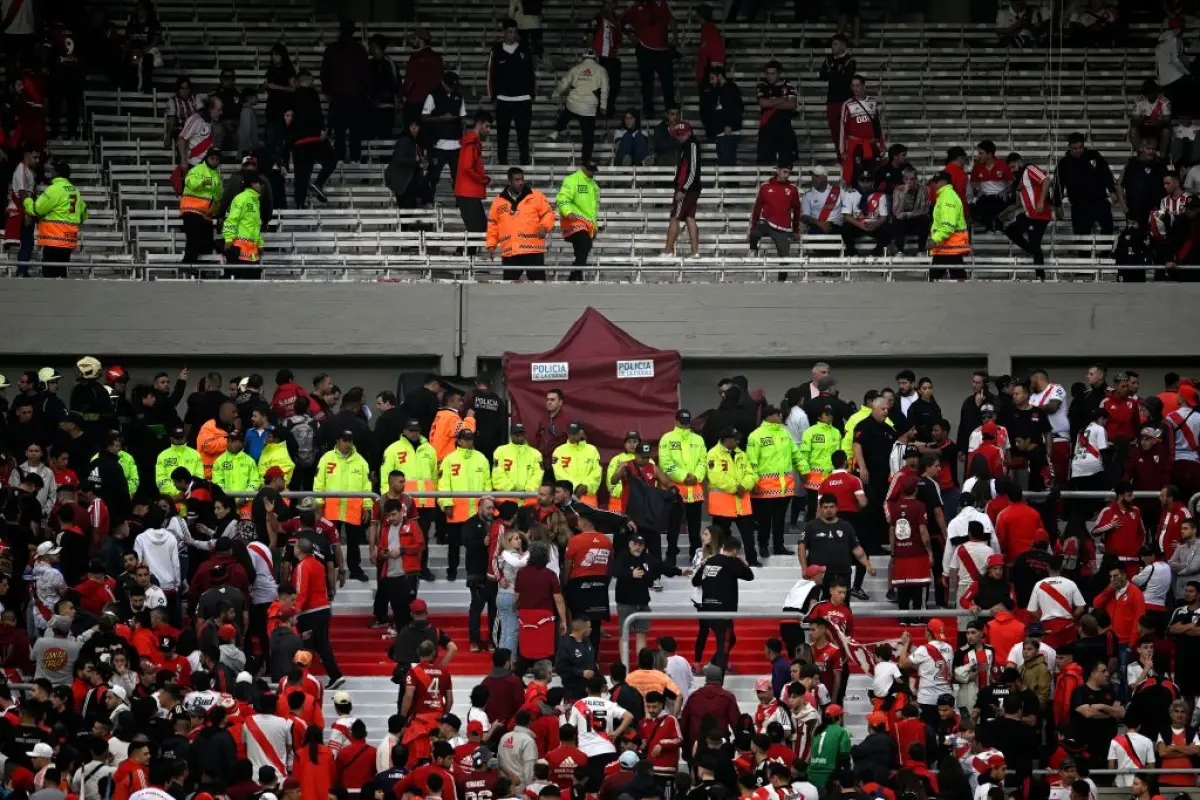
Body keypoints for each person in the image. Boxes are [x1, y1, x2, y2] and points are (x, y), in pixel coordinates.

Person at [692, 535, 754, 670]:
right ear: (734, 550)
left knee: (729, 639)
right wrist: (741, 561)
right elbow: (749, 576)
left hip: (706, 608)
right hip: (723, 610)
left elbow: (695, 581)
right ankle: (716, 679)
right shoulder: (732, 562)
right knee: (724, 645)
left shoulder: (709, 561)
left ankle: (711, 664)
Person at [486, 167, 555, 280]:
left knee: (538, 288)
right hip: (510, 252)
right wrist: (491, 245)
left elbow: (548, 213)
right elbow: (493, 224)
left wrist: (544, 226)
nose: (521, 182)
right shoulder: (498, 201)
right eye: (517, 180)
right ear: (509, 181)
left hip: (533, 250)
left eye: (522, 179)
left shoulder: (536, 196)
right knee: (509, 290)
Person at [23, 160, 87, 277]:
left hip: (54, 240)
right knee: (62, 275)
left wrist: (27, 201)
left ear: (57, 173)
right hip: (68, 241)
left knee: (50, 276)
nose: (51, 172)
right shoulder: (75, 191)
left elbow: (37, 209)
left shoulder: (54, 189)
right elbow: (83, 215)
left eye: (53, 170)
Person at [487, 19, 536, 165]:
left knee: (523, 135)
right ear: (504, 33)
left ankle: (524, 161)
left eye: (515, 32)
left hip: (523, 99)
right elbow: (490, 73)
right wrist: (493, 96)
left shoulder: (524, 49)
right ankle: (502, 162)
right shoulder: (496, 50)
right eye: (509, 32)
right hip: (503, 99)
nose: (512, 34)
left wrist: (531, 94)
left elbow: (531, 73)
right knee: (502, 135)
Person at [549, 49, 608, 164]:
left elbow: (563, 83)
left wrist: (554, 94)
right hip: (588, 107)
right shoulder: (601, 70)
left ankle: (556, 131)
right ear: (595, 59)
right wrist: (603, 106)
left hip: (574, 102)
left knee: (566, 113)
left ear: (583, 58)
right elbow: (605, 90)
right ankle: (586, 161)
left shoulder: (576, 68)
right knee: (588, 137)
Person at [1053, 132, 1118, 236]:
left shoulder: (1094, 155)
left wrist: (1112, 190)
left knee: (1108, 229)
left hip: (1099, 200)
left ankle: (1106, 252)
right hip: (1079, 205)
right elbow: (1058, 185)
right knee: (1081, 236)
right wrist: (1058, 204)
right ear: (1069, 147)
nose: (1078, 150)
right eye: (1075, 148)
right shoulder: (1064, 163)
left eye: (1080, 147)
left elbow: (1106, 173)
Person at [623, 0, 675, 117]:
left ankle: (671, 110)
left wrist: (675, 38)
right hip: (645, 49)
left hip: (663, 50)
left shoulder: (662, 4)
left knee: (668, 82)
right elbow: (622, 22)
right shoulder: (635, 7)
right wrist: (630, 34)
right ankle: (648, 111)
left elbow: (672, 20)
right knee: (647, 83)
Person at [423, 71, 468, 197]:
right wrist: (441, 118)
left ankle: (460, 202)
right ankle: (428, 200)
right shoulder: (433, 95)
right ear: (442, 82)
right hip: (438, 144)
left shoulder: (458, 95)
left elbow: (463, 117)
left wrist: (464, 136)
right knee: (433, 175)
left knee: (458, 176)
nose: (451, 88)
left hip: (456, 144)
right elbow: (424, 117)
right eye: (449, 85)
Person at [838, 75, 886, 186]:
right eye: (853, 86)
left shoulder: (873, 103)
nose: (855, 89)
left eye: (858, 85)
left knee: (873, 173)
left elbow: (879, 127)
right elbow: (843, 128)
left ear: (864, 86)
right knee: (855, 174)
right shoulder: (847, 105)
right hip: (855, 146)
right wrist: (842, 150)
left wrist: (882, 145)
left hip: (871, 144)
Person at [663, 121, 702, 258]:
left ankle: (668, 251)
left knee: (675, 217)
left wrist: (683, 189)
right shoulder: (687, 145)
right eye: (677, 135)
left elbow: (692, 170)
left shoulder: (691, 145)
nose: (678, 137)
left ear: (689, 133)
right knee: (690, 218)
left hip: (687, 188)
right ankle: (695, 252)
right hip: (691, 188)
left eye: (681, 134)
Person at [556, 161, 600, 280]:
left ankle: (576, 275)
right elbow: (562, 198)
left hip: (587, 224)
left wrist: (595, 226)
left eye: (594, 170)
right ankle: (576, 275)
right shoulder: (571, 180)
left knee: (583, 248)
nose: (592, 173)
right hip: (573, 219)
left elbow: (594, 210)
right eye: (590, 170)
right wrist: (568, 212)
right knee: (585, 243)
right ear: (583, 168)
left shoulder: (594, 186)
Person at [748, 164, 801, 263]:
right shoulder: (765, 186)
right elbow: (757, 208)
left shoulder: (792, 188)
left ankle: (782, 279)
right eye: (785, 172)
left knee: (785, 261)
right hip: (767, 223)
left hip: (783, 228)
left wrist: (795, 230)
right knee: (755, 231)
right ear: (778, 171)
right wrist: (752, 227)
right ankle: (753, 249)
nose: (787, 175)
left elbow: (797, 210)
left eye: (789, 173)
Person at [178, 148, 222, 265]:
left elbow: (217, 197)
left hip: (206, 215)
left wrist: (216, 214)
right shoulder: (198, 169)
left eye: (217, 159)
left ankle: (202, 271)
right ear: (207, 158)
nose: (214, 161)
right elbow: (189, 182)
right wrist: (202, 182)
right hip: (192, 211)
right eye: (212, 158)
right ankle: (187, 265)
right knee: (194, 240)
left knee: (206, 244)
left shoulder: (217, 176)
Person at [927, 170, 970, 280]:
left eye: (936, 182)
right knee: (955, 275)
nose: (934, 184)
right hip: (947, 246)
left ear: (944, 182)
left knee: (938, 276)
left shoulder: (947, 197)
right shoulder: (946, 196)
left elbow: (948, 225)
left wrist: (934, 239)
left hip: (950, 245)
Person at [221, 172, 264, 277]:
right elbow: (231, 220)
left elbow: (254, 226)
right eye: (258, 183)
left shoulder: (256, 201)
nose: (261, 185)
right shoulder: (241, 198)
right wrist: (228, 239)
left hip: (252, 253)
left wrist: (260, 243)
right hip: (238, 251)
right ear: (252, 184)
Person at [840, 170, 891, 256]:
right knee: (845, 227)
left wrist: (875, 225)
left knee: (888, 228)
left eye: (868, 181)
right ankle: (852, 252)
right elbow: (846, 216)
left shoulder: (880, 195)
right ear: (858, 182)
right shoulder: (851, 193)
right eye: (862, 181)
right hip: (857, 225)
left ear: (873, 182)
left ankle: (877, 252)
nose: (865, 183)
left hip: (874, 225)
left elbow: (883, 217)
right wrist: (860, 225)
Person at [755, 61, 798, 167]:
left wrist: (772, 102)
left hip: (784, 128)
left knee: (786, 162)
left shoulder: (788, 85)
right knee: (765, 162)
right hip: (767, 128)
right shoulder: (762, 85)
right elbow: (763, 103)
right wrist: (782, 100)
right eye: (768, 73)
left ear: (779, 73)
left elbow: (792, 105)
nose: (770, 76)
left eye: (773, 73)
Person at [699, 66, 743, 166]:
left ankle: (732, 182)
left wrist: (730, 125)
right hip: (721, 133)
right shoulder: (717, 90)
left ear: (720, 76)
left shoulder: (730, 88)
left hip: (728, 134)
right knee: (724, 164)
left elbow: (736, 108)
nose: (711, 82)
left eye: (712, 78)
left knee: (728, 165)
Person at [819, 35, 856, 149]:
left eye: (835, 44)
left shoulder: (850, 60)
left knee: (848, 131)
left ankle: (850, 157)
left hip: (846, 100)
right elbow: (822, 75)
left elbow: (846, 78)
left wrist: (832, 73)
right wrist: (836, 73)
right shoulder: (828, 59)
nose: (832, 47)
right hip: (832, 100)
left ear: (843, 45)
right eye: (832, 44)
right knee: (835, 131)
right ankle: (840, 158)